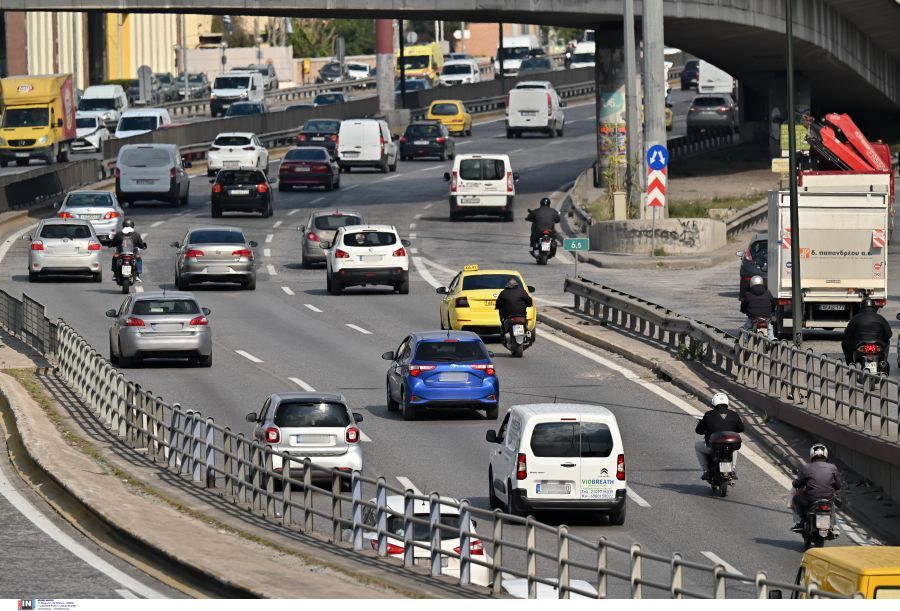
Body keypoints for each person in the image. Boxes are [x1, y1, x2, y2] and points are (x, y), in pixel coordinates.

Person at [790, 443, 843, 533]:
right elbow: (838, 486)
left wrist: (795, 482)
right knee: (832, 502)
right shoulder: (833, 467)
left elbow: (797, 484)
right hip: (828, 498)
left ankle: (799, 524)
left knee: (796, 499)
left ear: (812, 454)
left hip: (811, 498)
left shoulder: (807, 467)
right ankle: (834, 525)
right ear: (825, 454)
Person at [694, 392, 745, 481]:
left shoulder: (708, 414)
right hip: (729, 447)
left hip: (712, 448)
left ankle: (706, 471)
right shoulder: (734, 414)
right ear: (727, 403)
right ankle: (732, 470)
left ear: (714, 403)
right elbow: (741, 428)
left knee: (697, 446)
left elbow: (698, 430)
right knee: (734, 450)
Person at [842, 297, 891, 363]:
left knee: (845, 343)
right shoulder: (880, 318)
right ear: (874, 307)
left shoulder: (856, 318)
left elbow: (847, 334)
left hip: (859, 345)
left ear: (861, 307)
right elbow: (888, 334)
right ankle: (883, 362)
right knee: (887, 342)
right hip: (877, 345)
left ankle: (850, 363)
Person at [740, 275, 776, 341]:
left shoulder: (748, 294)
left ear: (751, 283)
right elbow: (773, 304)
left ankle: (745, 342)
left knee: (746, 328)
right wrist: (772, 311)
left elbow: (743, 306)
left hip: (753, 318)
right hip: (766, 318)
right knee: (770, 327)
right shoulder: (768, 293)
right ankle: (772, 339)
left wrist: (744, 310)